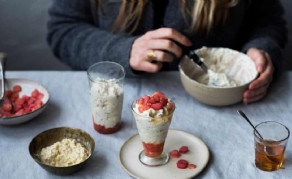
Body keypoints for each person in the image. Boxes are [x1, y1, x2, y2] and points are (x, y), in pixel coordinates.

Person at [47, 0, 287, 104]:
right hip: (120, 101)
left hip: (224, 106)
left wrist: (263, 49)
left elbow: (268, 22)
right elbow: (63, 30)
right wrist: (123, 51)